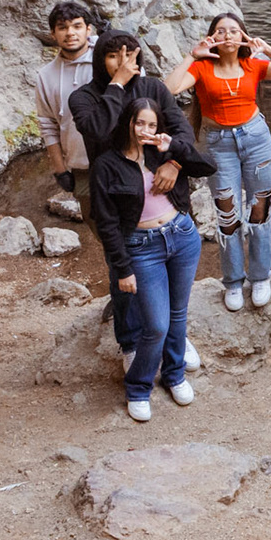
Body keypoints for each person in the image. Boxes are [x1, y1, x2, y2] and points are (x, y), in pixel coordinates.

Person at [70, 31, 202, 371]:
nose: (123, 62)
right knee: (122, 271)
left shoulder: (154, 88)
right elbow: (98, 131)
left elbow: (182, 130)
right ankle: (129, 342)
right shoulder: (84, 98)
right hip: (119, 200)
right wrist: (117, 85)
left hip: (163, 193)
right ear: (100, 60)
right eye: (114, 56)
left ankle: (176, 336)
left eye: (130, 55)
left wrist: (174, 162)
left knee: (174, 273)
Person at [165, 12, 271, 311]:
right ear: (212, 38)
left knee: (261, 208)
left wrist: (265, 48)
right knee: (227, 213)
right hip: (218, 144)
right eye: (221, 31)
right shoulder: (202, 67)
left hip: (256, 138)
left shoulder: (252, 65)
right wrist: (191, 55)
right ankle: (232, 280)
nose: (228, 36)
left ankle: (260, 276)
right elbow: (170, 89)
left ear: (243, 36)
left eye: (234, 31)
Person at [90, 97, 214, 422]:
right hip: (141, 246)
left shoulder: (162, 150)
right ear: (128, 123)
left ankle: (174, 376)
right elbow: (106, 222)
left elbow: (206, 166)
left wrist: (174, 155)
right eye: (139, 123)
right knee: (156, 325)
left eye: (152, 125)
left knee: (177, 316)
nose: (145, 130)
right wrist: (122, 268)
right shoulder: (106, 164)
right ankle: (138, 387)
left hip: (182, 235)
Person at [34, 0, 97, 207]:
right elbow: (48, 125)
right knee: (98, 228)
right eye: (62, 28)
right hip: (80, 167)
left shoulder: (107, 60)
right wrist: (61, 170)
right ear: (53, 34)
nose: (70, 33)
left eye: (77, 26)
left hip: (120, 161)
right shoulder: (45, 76)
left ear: (88, 29)